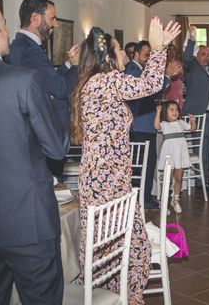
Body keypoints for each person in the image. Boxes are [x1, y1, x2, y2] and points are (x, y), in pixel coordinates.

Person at [69, 18, 180, 304]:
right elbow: (153, 83)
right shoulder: (105, 82)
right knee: (121, 248)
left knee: (119, 248)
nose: (123, 56)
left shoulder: (96, 83)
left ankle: (120, 296)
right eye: (119, 50)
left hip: (107, 177)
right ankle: (123, 297)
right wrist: (159, 47)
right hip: (105, 181)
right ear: (107, 56)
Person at [0, 0, 69, 305]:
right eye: (4, 25)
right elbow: (57, 148)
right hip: (27, 222)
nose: (8, 32)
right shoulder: (22, 80)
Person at [8, 0, 79, 176]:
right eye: (52, 18)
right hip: (42, 137)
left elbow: (49, 80)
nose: (55, 24)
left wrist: (68, 65)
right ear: (35, 18)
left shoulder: (25, 47)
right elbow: (61, 89)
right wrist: (77, 67)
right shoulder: (30, 51)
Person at [126, 40, 179, 210]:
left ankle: (145, 197)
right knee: (142, 165)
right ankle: (142, 199)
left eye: (150, 55)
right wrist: (167, 77)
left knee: (148, 164)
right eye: (146, 55)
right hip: (140, 125)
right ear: (136, 53)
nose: (148, 59)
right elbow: (149, 90)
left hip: (146, 124)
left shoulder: (139, 70)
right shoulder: (132, 70)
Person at [183, 26, 209, 191]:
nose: (206, 57)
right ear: (196, 56)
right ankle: (201, 181)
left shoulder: (208, 71)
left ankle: (205, 178)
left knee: (208, 148)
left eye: (208, 55)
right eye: (203, 54)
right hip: (199, 114)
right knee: (201, 148)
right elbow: (186, 58)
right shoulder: (192, 67)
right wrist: (192, 38)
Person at [154, 101, 194, 214]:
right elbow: (156, 126)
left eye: (176, 109)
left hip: (180, 154)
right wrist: (158, 112)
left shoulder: (180, 122)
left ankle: (175, 200)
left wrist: (192, 121)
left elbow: (191, 129)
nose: (175, 112)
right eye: (171, 109)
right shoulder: (164, 124)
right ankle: (163, 202)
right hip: (169, 153)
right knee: (167, 179)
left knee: (179, 178)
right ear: (165, 112)